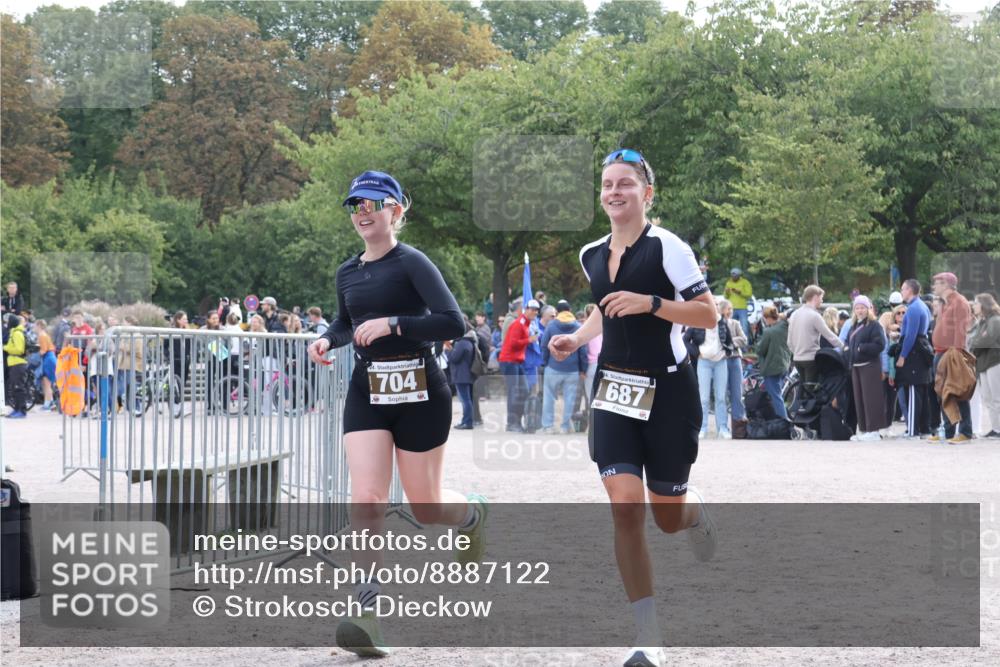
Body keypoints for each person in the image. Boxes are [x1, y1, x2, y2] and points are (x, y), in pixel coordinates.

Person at [548, 148, 718, 667]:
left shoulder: (669, 248)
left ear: (646, 194)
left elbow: (708, 315)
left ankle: (692, 514)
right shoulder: (590, 253)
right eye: (606, 184)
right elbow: (606, 307)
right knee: (625, 507)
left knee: (665, 517)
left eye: (625, 184)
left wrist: (653, 304)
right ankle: (648, 634)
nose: (614, 192)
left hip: (668, 391)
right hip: (614, 393)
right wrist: (577, 338)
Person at [305, 170, 485, 658]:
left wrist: (394, 323)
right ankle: (366, 609)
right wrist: (326, 338)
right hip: (368, 391)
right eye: (354, 206)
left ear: (395, 211)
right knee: (366, 495)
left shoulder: (413, 263)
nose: (361, 213)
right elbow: (347, 322)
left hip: (422, 392)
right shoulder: (347, 271)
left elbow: (453, 322)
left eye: (371, 204)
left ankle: (470, 514)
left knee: (426, 508)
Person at [928, 272, 974, 443]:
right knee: (943, 394)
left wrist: (956, 355)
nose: (934, 287)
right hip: (940, 352)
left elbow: (961, 332)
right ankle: (948, 431)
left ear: (946, 284)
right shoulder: (944, 303)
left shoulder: (959, 303)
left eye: (937, 283)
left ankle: (965, 432)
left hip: (951, 353)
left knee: (957, 392)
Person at [845, 296, 889, 441]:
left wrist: (861, 348)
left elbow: (880, 345)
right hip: (856, 366)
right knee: (860, 399)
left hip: (869, 366)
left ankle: (874, 430)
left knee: (871, 399)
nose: (859, 310)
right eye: (857, 308)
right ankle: (864, 429)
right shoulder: (854, 325)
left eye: (862, 307)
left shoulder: (874, 325)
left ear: (868, 308)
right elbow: (847, 342)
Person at [540, 299, 587, 434]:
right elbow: (583, 350)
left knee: (548, 397)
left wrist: (545, 362)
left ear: (557, 311)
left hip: (553, 367)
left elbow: (544, 345)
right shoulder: (578, 326)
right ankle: (564, 427)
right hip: (572, 369)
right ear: (570, 310)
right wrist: (583, 369)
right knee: (570, 399)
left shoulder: (551, 325)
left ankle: (548, 426)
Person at [895, 279, 933, 438]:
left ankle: (913, 430)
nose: (901, 292)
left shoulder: (913, 308)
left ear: (910, 290)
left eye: (903, 289)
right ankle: (924, 429)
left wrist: (902, 355)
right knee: (922, 391)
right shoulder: (923, 306)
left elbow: (910, 335)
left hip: (914, 352)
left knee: (912, 390)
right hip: (922, 348)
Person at [498, 297, 540, 432]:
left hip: (516, 361)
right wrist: (529, 340)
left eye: (537, 310)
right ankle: (512, 423)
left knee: (524, 391)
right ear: (526, 310)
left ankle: (516, 422)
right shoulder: (519, 323)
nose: (535, 312)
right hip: (510, 361)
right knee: (515, 393)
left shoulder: (524, 323)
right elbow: (513, 343)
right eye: (532, 309)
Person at [787, 285, 843, 384]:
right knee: (812, 392)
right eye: (821, 298)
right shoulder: (815, 316)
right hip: (811, 359)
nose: (822, 301)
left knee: (803, 390)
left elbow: (789, 341)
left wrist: (797, 352)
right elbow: (830, 336)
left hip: (797, 359)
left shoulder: (794, 314)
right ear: (815, 297)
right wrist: (844, 347)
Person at [968, 293, 1000, 438]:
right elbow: (974, 341)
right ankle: (996, 428)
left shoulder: (995, 320)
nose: (973, 306)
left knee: (996, 397)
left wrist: (977, 342)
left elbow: (986, 341)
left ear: (984, 304)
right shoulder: (982, 322)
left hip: (994, 362)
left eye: (976, 303)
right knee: (987, 397)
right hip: (984, 363)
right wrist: (978, 341)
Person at [696, 308, 730, 439]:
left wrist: (727, 352)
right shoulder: (699, 322)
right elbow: (686, 340)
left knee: (721, 397)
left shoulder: (722, 323)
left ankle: (723, 427)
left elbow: (729, 340)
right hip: (704, 361)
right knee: (703, 398)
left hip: (720, 361)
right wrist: (697, 353)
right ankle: (702, 427)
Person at [755, 305, 790, 420]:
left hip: (771, 368)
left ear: (767, 318)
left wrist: (757, 344)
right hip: (784, 365)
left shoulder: (769, 331)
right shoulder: (785, 327)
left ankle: (784, 421)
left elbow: (760, 350)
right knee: (778, 394)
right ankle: (779, 418)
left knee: (776, 396)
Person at [718, 298, 748, 427]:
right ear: (721, 309)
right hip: (721, 360)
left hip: (735, 359)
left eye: (731, 309)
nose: (730, 311)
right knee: (721, 394)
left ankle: (738, 424)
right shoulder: (716, 323)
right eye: (728, 309)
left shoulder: (735, 323)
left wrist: (729, 342)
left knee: (737, 393)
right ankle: (722, 426)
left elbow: (744, 339)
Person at [447, 321, 477, 429]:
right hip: (467, 374)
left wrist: (448, 350)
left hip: (461, 375)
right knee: (468, 399)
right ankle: (467, 421)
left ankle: (467, 422)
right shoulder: (470, 341)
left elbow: (454, 358)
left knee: (465, 400)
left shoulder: (462, 342)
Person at [115, 316, 145, 415]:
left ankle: (135, 407)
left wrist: (122, 347)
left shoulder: (137, 335)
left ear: (130, 323)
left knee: (130, 387)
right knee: (125, 387)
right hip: (123, 365)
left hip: (132, 365)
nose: (123, 324)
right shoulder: (125, 334)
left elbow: (133, 349)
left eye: (124, 322)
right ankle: (125, 407)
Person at [4, 315, 29, 418]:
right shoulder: (13, 333)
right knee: (14, 388)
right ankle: (17, 409)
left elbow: (19, 350)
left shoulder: (17, 333)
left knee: (19, 388)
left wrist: (5, 348)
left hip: (18, 363)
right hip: (13, 363)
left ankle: (22, 410)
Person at [33, 320, 58, 411]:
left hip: (48, 358)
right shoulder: (44, 335)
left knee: (46, 382)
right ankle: (49, 402)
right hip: (49, 357)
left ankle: (48, 404)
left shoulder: (42, 336)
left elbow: (43, 350)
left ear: (39, 325)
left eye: (35, 326)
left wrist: (34, 356)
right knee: (46, 382)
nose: (34, 328)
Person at [723, 268, 752, 336]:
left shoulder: (745, 282)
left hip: (742, 308)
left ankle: (744, 345)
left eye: (735, 276)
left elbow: (749, 294)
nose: (733, 277)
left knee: (744, 327)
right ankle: (732, 344)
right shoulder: (728, 283)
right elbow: (725, 296)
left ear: (739, 275)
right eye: (732, 275)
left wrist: (740, 292)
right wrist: (727, 292)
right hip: (731, 308)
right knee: (731, 327)